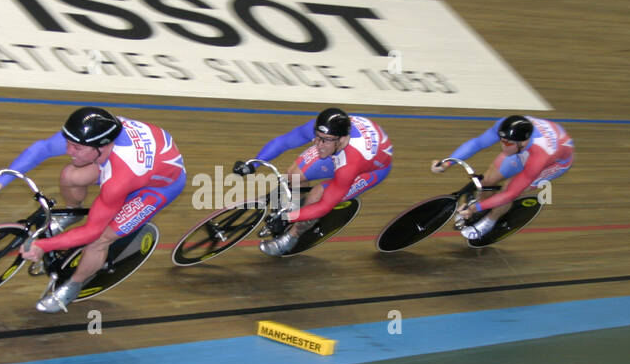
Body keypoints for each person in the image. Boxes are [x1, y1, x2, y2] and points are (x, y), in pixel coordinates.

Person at [0, 107, 186, 312]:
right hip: (132, 163)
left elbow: (92, 231)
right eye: (68, 143)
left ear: (101, 147)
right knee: (70, 176)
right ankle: (72, 212)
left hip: (157, 187)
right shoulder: (94, 134)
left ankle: (75, 284)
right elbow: (44, 148)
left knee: (100, 239)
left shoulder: (119, 179)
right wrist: (2, 180)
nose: (69, 151)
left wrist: (45, 245)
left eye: (76, 148)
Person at [234, 108, 392, 256]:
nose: (318, 144)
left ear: (342, 139)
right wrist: (252, 164)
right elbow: (284, 142)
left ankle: (292, 236)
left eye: (326, 140)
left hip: (371, 170)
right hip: (342, 151)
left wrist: (287, 218)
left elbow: (324, 206)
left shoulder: (350, 164)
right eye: (317, 137)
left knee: (318, 195)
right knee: (293, 175)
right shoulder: (324, 132)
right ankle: (295, 208)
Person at [431, 114, 573, 241]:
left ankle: (490, 221)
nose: (503, 146)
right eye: (502, 140)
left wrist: (475, 207)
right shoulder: (505, 125)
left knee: (509, 188)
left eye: (508, 143)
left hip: (553, 163)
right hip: (526, 150)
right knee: (486, 181)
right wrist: (447, 163)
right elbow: (477, 143)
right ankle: (481, 208)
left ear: (522, 143)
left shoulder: (541, 156)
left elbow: (510, 193)